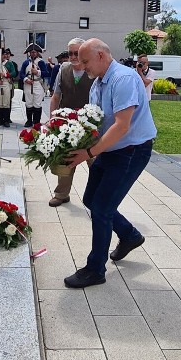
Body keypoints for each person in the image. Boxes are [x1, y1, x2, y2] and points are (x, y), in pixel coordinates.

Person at [62, 38, 157, 289]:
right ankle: (129, 235)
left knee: (102, 208)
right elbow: (96, 121)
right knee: (91, 200)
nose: (81, 66)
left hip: (131, 151)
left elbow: (122, 126)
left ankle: (95, 269)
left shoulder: (122, 79)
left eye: (85, 61)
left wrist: (89, 152)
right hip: (111, 149)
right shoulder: (98, 83)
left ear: (101, 56)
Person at [48, 38, 94, 207]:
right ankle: (61, 194)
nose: (73, 56)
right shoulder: (63, 69)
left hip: (90, 127)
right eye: (70, 53)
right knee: (65, 161)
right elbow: (56, 96)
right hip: (66, 124)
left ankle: (97, 197)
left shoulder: (93, 71)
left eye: (77, 53)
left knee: (95, 163)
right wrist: (53, 119)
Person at [19, 43, 49, 127]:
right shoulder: (26, 62)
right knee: (29, 103)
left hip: (38, 84)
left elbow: (46, 73)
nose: (33, 54)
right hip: (28, 84)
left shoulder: (41, 62)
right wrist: (26, 79)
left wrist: (37, 72)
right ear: (29, 53)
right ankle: (29, 121)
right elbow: (21, 73)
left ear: (37, 53)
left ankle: (36, 122)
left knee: (37, 104)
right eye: (31, 52)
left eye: (35, 52)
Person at [0, 47, 18, 127]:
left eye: (5, 54)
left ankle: (6, 120)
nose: (5, 56)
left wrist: (6, 75)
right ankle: (0, 119)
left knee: (6, 102)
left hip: (6, 83)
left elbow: (14, 73)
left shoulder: (9, 64)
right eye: (3, 54)